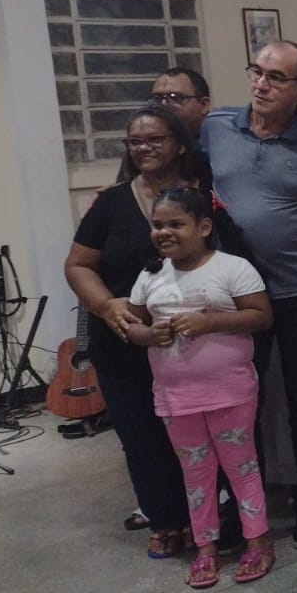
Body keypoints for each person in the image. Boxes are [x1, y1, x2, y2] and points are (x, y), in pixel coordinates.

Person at [199, 41, 297, 550]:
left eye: (277, 77)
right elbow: (174, 170)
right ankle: (242, 509)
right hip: (233, 295)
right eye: (257, 71)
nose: (261, 83)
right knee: (237, 405)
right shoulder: (217, 127)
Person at [65, 106, 201, 559]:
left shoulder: (203, 196)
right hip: (123, 342)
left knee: (195, 435)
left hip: (194, 342)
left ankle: (203, 516)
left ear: (179, 144)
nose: (144, 148)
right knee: (141, 437)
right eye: (135, 141)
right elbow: (78, 264)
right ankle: (164, 519)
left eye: (155, 139)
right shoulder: (110, 202)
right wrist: (106, 306)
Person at [126, 187, 275, 588]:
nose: (164, 232)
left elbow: (261, 316)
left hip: (230, 392)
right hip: (176, 397)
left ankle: (257, 541)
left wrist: (210, 322)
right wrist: (146, 335)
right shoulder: (150, 275)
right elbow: (132, 325)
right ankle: (205, 548)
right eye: (158, 225)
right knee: (195, 473)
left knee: (241, 467)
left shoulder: (232, 268)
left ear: (204, 227)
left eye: (176, 224)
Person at [115, 69, 213, 184]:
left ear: (204, 104)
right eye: (158, 98)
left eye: (176, 97)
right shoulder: (142, 145)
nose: (164, 104)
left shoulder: (220, 143)